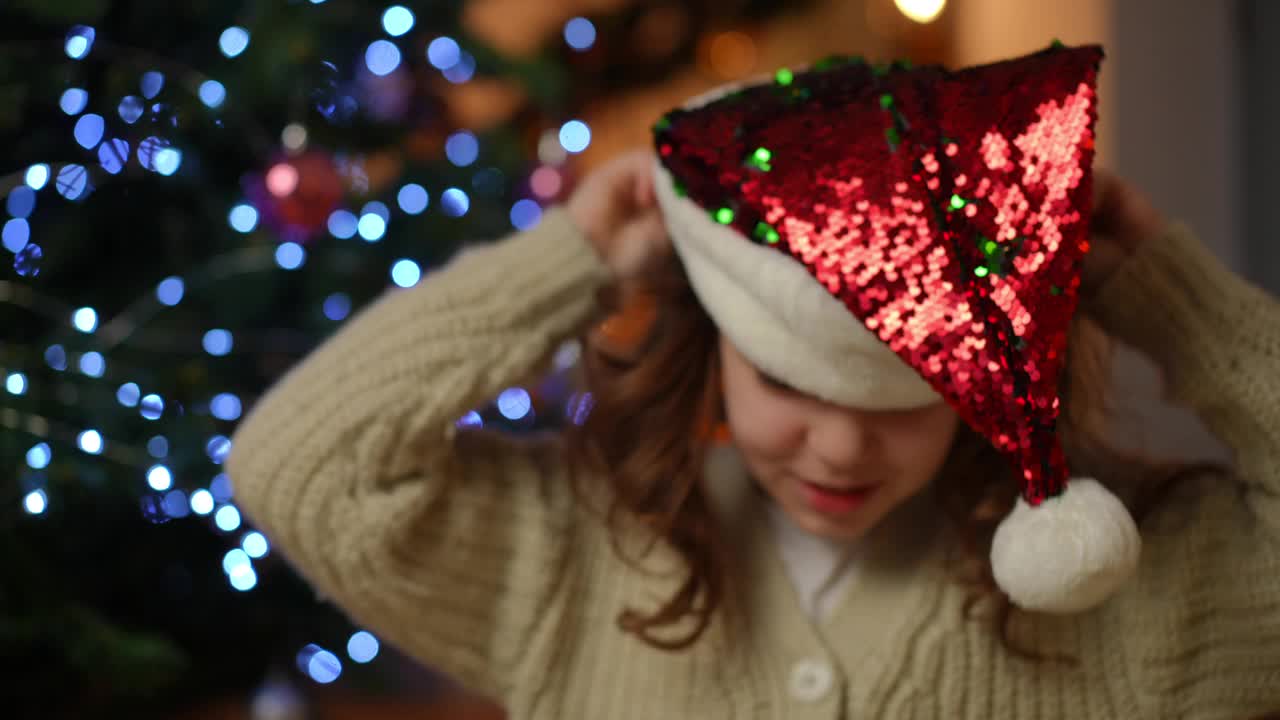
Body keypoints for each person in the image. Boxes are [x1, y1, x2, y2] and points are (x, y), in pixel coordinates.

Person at [227, 47, 1280, 718]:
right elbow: (302, 469)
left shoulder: (1130, 602)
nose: (836, 447)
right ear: (714, 341)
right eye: (786, 383)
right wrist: (573, 262)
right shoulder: (583, 559)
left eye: (897, 398)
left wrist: (1161, 290)